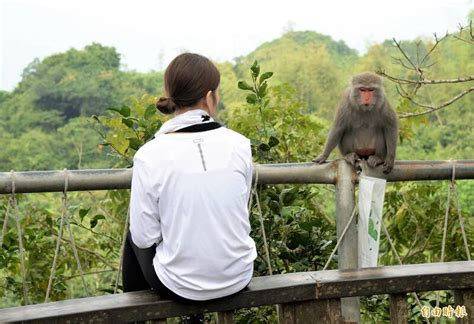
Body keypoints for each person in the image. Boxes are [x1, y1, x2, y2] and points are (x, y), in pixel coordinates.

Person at [122, 53, 257, 323]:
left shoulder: (150, 154)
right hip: (238, 276)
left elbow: (144, 237)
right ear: (210, 97)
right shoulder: (240, 144)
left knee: (133, 236)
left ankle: (133, 317)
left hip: (180, 287)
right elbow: (239, 208)